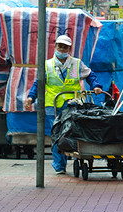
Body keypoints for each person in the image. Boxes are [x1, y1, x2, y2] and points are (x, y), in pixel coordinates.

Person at [26, 33, 103, 175]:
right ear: (55, 47)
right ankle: (59, 165)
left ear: (69, 49)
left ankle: (73, 157)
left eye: (65, 47)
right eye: (59, 46)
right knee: (56, 134)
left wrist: (96, 86)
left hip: (73, 104)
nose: (61, 49)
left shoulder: (76, 64)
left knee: (73, 132)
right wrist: (31, 97)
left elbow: (90, 75)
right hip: (52, 105)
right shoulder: (47, 65)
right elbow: (38, 83)